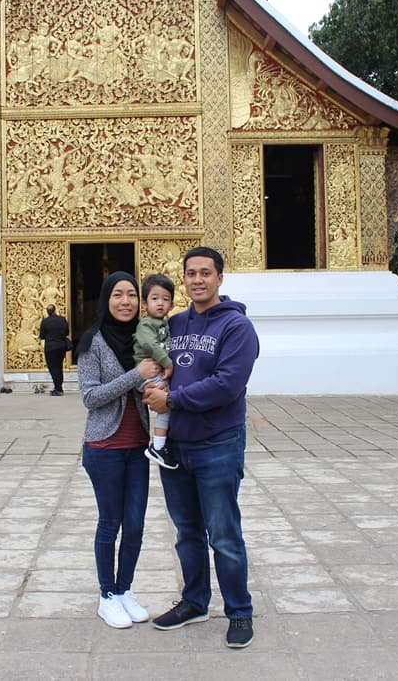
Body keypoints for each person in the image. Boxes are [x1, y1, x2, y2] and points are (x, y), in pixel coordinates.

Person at [143, 246, 260, 649]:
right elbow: (151, 358)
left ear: (219, 278)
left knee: (224, 534)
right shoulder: (174, 323)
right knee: (186, 531)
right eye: (190, 273)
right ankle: (194, 601)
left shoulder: (236, 328)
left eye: (205, 273)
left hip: (218, 444)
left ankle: (240, 612)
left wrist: (172, 400)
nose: (197, 280)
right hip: (175, 445)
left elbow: (228, 384)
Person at [76, 272, 162, 629]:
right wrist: (136, 374)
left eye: (130, 295)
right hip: (104, 447)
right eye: (117, 295)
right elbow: (90, 396)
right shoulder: (91, 342)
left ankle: (125, 589)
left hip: (136, 447)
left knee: (137, 524)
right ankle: (106, 595)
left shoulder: (145, 339)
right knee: (110, 523)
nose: (125, 301)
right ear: (105, 299)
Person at [133, 274, 178, 470]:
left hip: (157, 371)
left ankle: (162, 443)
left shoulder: (167, 324)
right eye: (154, 298)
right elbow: (149, 344)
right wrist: (167, 363)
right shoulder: (146, 324)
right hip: (148, 372)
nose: (160, 303)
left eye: (165, 299)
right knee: (166, 403)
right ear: (144, 303)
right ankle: (158, 447)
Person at [39, 304, 70, 395]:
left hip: (50, 347)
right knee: (59, 366)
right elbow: (67, 332)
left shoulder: (45, 321)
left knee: (53, 368)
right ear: (55, 310)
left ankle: (58, 388)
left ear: (48, 312)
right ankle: (59, 387)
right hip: (61, 346)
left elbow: (42, 336)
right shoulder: (62, 320)